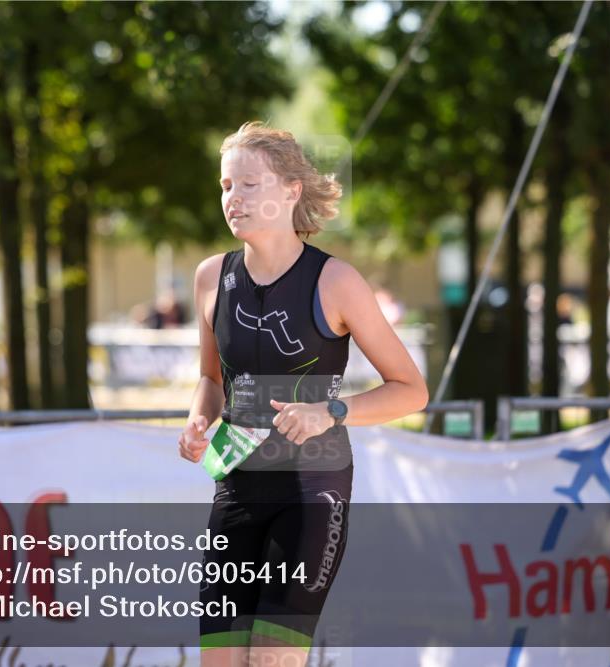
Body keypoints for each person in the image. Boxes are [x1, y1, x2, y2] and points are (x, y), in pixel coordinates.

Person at [177, 121, 428, 667]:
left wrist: (332, 412)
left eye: (247, 185)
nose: (232, 199)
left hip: (313, 490)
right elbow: (212, 379)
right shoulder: (210, 278)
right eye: (225, 186)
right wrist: (198, 420)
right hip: (239, 487)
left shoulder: (336, 282)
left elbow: (412, 391)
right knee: (217, 660)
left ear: (290, 191)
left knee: (272, 659)